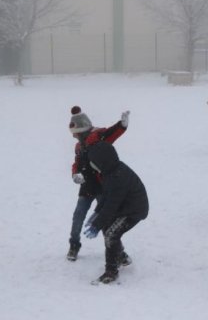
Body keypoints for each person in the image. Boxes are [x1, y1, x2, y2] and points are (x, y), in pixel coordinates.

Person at [67, 106, 129, 261]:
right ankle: (74, 245)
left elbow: (112, 132)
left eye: (75, 134)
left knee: (106, 219)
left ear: (82, 130)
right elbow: (77, 163)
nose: (74, 137)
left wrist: (121, 125)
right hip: (87, 187)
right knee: (78, 217)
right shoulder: (78, 146)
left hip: (103, 187)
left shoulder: (99, 137)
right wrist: (75, 174)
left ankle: (119, 252)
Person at [83, 141, 148, 284]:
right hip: (123, 207)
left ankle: (111, 272)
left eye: (94, 162)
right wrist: (96, 213)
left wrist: (97, 224)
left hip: (134, 210)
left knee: (111, 234)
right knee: (108, 229)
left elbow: (112, 205)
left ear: (102, 161)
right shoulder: (110, 171)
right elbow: (106, 196)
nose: (92, 165)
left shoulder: (118, 177)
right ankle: (121, 257)